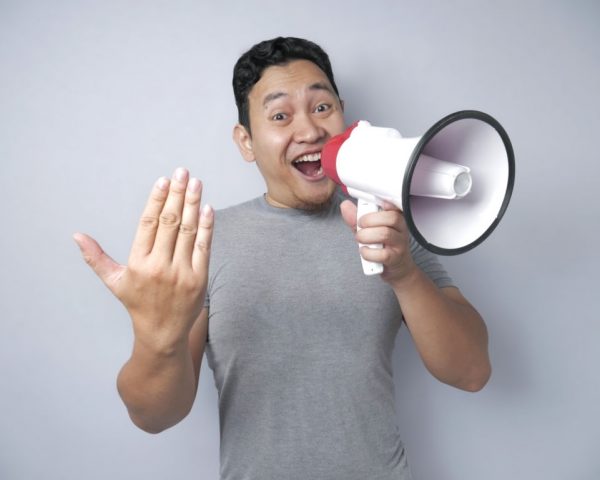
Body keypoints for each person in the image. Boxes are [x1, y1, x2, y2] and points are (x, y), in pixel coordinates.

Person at [74, 36, 491, 480]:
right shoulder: (208, 246)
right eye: (279, 115)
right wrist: (158, 336)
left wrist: (405, 275)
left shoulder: (393, 228)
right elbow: (154, 416)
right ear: (246, 141)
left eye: (322, 107)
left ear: (345, 116)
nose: (310, 131)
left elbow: (471, 371)